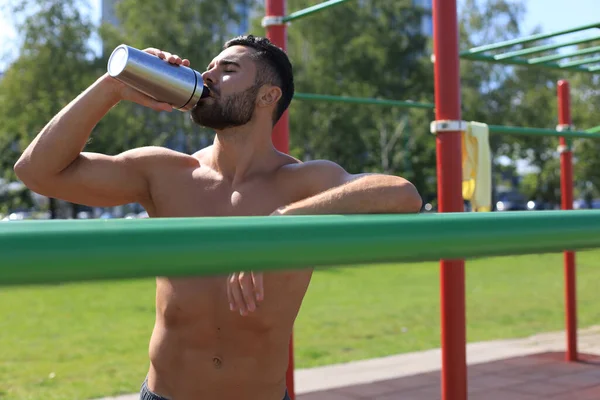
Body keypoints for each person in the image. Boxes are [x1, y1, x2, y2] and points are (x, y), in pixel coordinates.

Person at [14, 35, 422, 400]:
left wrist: (281, 222)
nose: (207, 76)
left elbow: (403, 194)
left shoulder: (305, 181)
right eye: (208, 67)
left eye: (228, 70)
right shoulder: (163, 172)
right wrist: (114, 86)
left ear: (267, 96)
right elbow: (35, 171)